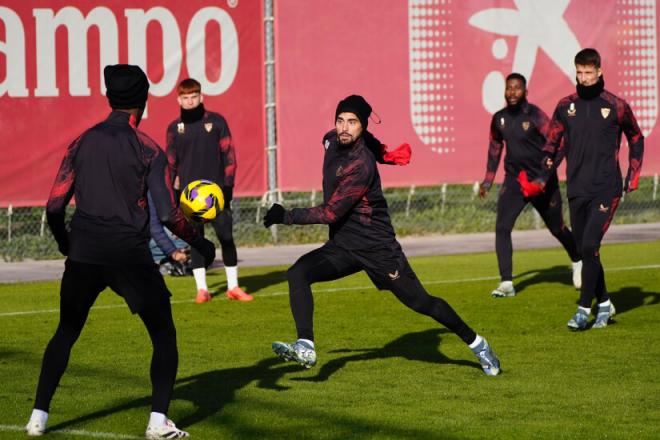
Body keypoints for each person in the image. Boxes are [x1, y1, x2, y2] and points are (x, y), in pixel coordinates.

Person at [25, 64, 215, 439]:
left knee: (65, 331)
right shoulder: (147, 149)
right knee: (163, 335)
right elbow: (166, 213)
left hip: (84, 253)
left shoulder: (81, 142)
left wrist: (66, 242)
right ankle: (158, 423)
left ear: (108, 98)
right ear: (143, 101)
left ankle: (37, 418)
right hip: (128, 255)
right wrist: (198, 240)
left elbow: (53, 206)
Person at [263, 95, 501, 376]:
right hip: (343, 246)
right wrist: (386, 153)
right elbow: (369, 140)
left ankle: (477, 343)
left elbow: (330, 213)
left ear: (361, 126)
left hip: (378, 249)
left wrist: (286, 216)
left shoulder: (361, 164)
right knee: (298, 273)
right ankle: (306, 345)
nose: (345, 127)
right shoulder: (331, 140)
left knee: (421, 303)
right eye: (341, 120)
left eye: (352, 122)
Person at [540, 48, 644, 330]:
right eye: (580, 72)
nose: (584, 78)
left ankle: (583, 309)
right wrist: (544, 168)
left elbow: (636, 137)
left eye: (589, 72)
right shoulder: (565, 106)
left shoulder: (616, 105)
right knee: (589, 251)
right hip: (576, 188)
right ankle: (606, 302)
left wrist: (634, 174)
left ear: (599, 71)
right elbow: (552, 144)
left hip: (606, 188)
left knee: (588, 245)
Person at [479, 73, 582, 298]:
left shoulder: (535, 115)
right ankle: (506, 283)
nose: (512, 92)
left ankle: (577, 259)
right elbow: (495, 147)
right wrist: (488, 180)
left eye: (517, 88)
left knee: (558, 229)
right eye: (509, 88)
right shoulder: (499, 118)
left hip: (542, 181)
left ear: (525, 92)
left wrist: (545, 176)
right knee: (502, 227)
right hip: (515, 181)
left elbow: (558, 144)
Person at [166, 78, 252, 303]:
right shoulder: (175, 129)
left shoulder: (216, 122)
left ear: (201, 97)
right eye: (186, 98)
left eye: (194, 97)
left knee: (226, 238)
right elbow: (171, 163)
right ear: (179, 100)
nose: (190, 101)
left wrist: (228, 187)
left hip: (217, 195)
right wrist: (173, 195)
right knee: (197, 241)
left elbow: (229, 156)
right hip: (190, 198)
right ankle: (202, 290)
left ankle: (233, 287)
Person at [148, 191, 192, 277]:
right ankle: (166, 263)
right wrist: (173, 252)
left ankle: (171, 262)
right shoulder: (152, 192)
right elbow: (154, 227)